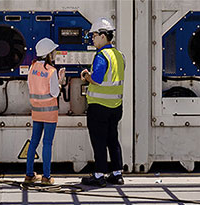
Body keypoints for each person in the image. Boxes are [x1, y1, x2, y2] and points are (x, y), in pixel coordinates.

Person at [80, 18, 125, 187]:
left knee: (98, 141)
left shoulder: (101, 56)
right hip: (116, 106)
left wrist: (85, 75)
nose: (92, 39)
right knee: (113, 139)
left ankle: (98, 175)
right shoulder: (119, 56)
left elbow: (97, 79)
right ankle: (117, 173)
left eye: (95, 35)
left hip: (99, 107)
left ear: (104, 36)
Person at [25, 38, 65, 185]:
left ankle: (29, 175)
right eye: (53, 51)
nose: (54, 53)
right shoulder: (51, 71)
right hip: (49, 113)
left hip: (36, 111)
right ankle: (46, 177)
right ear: (49, 53)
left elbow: (30, 86)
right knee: (47, 143)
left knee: (34, 141)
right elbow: (54, 93)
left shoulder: (32, 67)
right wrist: (60, 82)